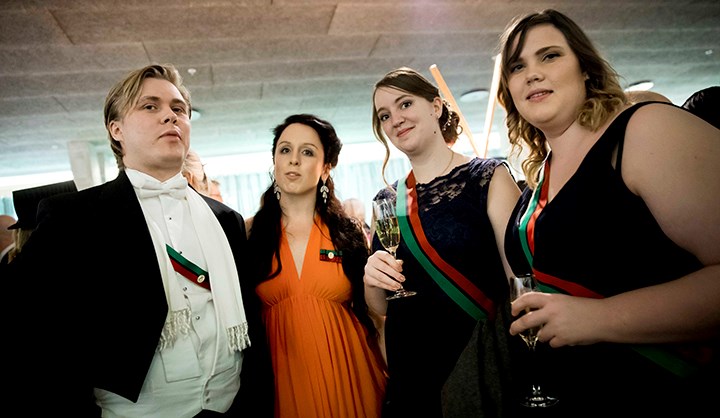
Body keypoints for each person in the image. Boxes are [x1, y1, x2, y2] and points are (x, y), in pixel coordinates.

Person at [7, 63, 273, 417]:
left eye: (179, 109)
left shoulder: (226, 219)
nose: (170, 116)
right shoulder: (73, 216)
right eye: (151, 106)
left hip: (229, 405)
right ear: (116, 129)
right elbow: (28, 330)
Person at [496, 9, 719, 416]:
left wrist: (601, 317)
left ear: (585, 69)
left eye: (549, 56)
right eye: (517, 66)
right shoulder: (539, 175)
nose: (532, 73)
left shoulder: (643, 129)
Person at [363, 67, 521, 417]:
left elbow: (520, 284)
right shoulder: (387, 200)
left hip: (473, 357)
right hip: (411, 367)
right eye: (385, 115)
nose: (395, 120)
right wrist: (370, 276)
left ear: (435, 106)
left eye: (405, 104)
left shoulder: (489, 177)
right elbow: (381, 305)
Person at [245, 113, 388, 418]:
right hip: (280, 381)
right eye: (285, 150)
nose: (293, 160)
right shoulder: (249, 233)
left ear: (325, 168)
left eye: (307, 152)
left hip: (349, 375)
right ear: (275, 161)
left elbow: (375, 316)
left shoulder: (347, 233)